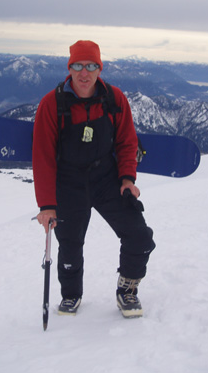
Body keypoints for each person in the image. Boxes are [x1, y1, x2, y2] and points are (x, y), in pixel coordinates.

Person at [33, 40, 155, 318]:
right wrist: (47, 205)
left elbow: (127, 142)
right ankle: (71, 295)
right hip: (68, 181)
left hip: (106, 178)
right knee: (70, 244)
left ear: (100, 69)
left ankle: (127, 290)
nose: (84, 73)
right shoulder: (52, 104)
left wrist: (127, 179)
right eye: (77, 66)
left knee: (139, 235)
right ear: (69, 68)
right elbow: (42, 157)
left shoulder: (114, 99)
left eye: (90, 66)